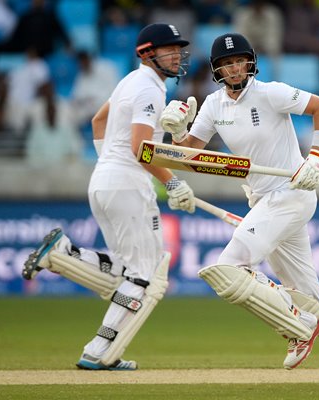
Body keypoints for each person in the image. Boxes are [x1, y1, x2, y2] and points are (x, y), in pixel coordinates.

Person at [159, 33, 319, 387]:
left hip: (292, 193)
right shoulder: (212, 106)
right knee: (306, 292)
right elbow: (190, 157)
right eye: (226, 63)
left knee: (229, 266)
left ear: (250, 62)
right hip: (263, 199)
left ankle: (298, 326)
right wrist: (177, 134)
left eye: (239, 60)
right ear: (217, 70)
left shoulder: (270, 92)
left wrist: (315, 158)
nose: (234, 68)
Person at [21, 23, 196, 371]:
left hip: (105, 181)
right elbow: (140, 148)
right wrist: (173, 182)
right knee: (148, 277)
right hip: (127, 186)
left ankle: (67, 260)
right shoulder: (149, 89)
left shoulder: (129, 81)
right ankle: (99, 351)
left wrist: (108, 164)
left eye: (178, 49)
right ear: (147, 53)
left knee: (131, 274)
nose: (176, 55)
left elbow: (99, 120)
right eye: (169, 49)